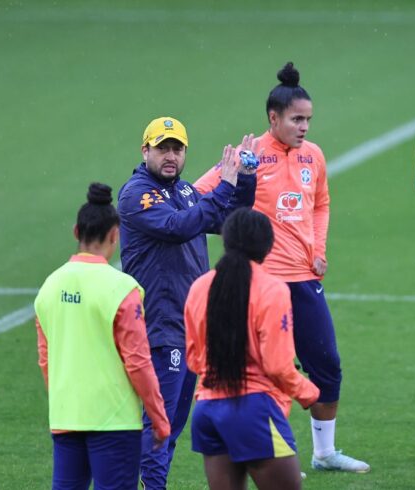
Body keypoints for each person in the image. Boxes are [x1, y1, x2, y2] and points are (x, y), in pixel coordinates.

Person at [195, 62, 371, 473]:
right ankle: (264, 449)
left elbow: (322, 203)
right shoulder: (249, 155)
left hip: (305, 279)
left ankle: (325, 453)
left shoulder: (314, 156)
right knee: (262, 368)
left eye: (308, 119)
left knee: (326, 362)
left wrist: (318, 248)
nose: (304, 127)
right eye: (296, 119)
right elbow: (203, 191)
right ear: (273, 119)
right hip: (259, 283)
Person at [118, 117, 257, 488]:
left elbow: (231, 220)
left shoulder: (185, 193)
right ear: (144, 151)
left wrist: (244, 178)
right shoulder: (137, 194)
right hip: (159, 325)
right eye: (162, 148)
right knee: (159, 421)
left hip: (189, 327)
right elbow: (180, 227)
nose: (170, 156)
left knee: (172, 423)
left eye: (177, 149)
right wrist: (224, 185)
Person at [34, 183, 170, 489]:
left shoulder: (49, 287)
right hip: (114, 420)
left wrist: (63, 401)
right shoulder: (123, 289)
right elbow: (138, 362)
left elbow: (46, 359)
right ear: (115, 234)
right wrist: (158, 418)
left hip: (66, 416)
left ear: (75, 232)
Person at [185, 208, 319, 490]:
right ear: (268, 245)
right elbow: (277, 366)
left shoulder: (199, 287)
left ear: (227, 241)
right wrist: (308, 392)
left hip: (208, 410)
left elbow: (194, 359)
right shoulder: (272, 289)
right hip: (254, 411)